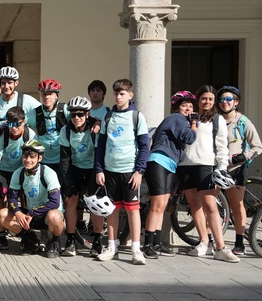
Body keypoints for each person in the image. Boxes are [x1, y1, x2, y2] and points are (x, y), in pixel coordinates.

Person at [177, 85, 240, 262]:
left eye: (210, 99)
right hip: (185, 165)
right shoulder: (188, 116)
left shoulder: (217, 119)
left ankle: (220, 247)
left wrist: (221, 166)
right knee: (194, 205)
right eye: (204, 98)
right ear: (198, 99)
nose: (207, 102)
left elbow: (222, 146)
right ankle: (204, 242)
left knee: (211, 207)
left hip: (206, 165)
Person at [94, 78, 150, 265]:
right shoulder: (108, 117)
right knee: (112, 210)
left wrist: (139, 171)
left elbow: (144, 146)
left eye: (122, 93)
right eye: (116, 93)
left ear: (130, 95)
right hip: (110, 171)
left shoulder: (137, 116)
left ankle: (136, 249)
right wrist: (99, 169)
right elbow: (101, 145)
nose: (118, 97)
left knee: (133, 210)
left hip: (129, 172)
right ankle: (112, 246)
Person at [142, 91, 198, 258]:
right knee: (157, 205)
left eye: (190, 106)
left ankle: (157, 243)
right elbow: (189, 138)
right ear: (176, 108)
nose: (188, 108)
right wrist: (194, 123)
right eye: (184, 105)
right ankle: (148, 245)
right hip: (159, 162)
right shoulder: (177, 119)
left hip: (168, 164)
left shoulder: (180, 121)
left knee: (162, 206)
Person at [217, 85, 262, 255]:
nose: (224, 102)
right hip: (217, 168)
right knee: (210, 205)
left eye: (228, 99)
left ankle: (239, 243)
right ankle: (207, 240)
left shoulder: (243, 121)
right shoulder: (216, 119)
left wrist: (241, 157)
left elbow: (258, 146)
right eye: (221, 99)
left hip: (236, 169)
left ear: (236, 102)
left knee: (236, 206)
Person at [0, 140, 65, 257]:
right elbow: (12, 198)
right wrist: (18, 213)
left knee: (54, 216)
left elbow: (55, 202)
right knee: (2, 214)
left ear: (39, 158)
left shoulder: (48, 173)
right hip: (30, 215)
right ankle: (30, 239)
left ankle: (54, 242)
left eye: (32, 157)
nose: (28, 160)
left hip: (46, 214)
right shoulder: (18, 173)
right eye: (25, 156)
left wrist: (32, 213)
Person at [58, 96, 105, 257]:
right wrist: (69, 183)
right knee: (70, 200)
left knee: (95, 201)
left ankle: (97, 241)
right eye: (73, 115)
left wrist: (95, 180)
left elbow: (100, 154)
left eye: (80, 114)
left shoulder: (95, 128)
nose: (76, 118)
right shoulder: (66, 131)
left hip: (93, 168)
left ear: (87, 114)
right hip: (76, 168)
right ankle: (70, 241)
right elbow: (65, 159)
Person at [0, 106, 37, 250]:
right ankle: (0, 235)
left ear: (24, 122)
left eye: (17, 124)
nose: (14, 128)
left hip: (23, 170)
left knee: (25, 200)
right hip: (4, 171)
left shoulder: (31, 134)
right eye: (10, 124)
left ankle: (27, 232)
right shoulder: (2, 135)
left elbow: (35, 157)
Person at [26, 78, 69, 175]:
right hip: (43, 160)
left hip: (62, 160)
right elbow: (19, 122)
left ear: (56, 96)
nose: (47, 97)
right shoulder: (35, 113)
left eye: (50, 94)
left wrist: (96, 122)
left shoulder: (64, 109)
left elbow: (81, 120)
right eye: (44, 94)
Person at [0, 66, 40, 131]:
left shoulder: (27, 100)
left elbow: (43, 115)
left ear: (16, 83)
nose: (6, 86)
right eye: (3, 83)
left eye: (9, 83)